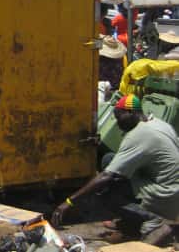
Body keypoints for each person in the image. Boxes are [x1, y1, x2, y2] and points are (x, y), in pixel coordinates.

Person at [52, 94, 179, 245]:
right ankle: (130, 223)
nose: (118, 123)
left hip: (164, 196)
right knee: (109, 159)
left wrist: (69, 202)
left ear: (131, 113)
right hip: (171, 189)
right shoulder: (158, 123)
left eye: (119, 118)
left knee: (104, 193)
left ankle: (151, 220)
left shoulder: (139, 134)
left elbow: (108, 175)